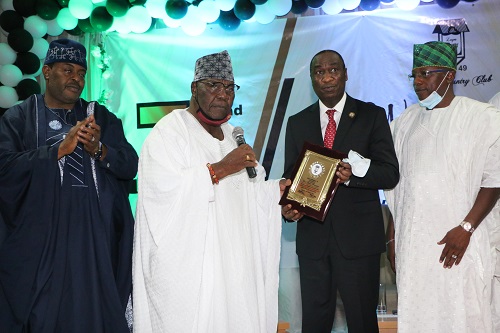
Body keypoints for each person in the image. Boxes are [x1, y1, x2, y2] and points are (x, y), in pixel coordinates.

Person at [132, 50, 290, 332]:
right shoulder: (170, 130)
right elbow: (161, 194)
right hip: (193, 273)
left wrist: (275, 192)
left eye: (229, 87)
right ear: (194, 88)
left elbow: (246, 196)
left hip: (233, 267)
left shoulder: (232, 135)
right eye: (213, 85)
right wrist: (219, 169)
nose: (223, 94)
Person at [0, 39, 138, 333]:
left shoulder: (100, 116)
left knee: (96, 317)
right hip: (40, 242)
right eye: (67, 70)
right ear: (47, 72)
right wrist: (56, 151)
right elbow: (4, 168)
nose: (76, 78)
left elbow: (129, 164)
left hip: (96, 240)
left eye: (81, 72)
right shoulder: (19, 118)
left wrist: (99, 149)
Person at [385, 41, 500, 332]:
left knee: (464, 311)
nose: (419, 82)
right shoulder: (404, 123)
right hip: (414, 245)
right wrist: (392, 237)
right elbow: (398, 188)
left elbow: (494, 179)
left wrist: (467, 228)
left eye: (426, 73)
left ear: (449, 75)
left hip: (462, 240)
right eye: (415, 75)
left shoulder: (482, 117)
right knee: (421, 316)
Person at [282, 49, 399, 333]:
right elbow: (290, 176)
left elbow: (389, 173)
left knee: (362, 323)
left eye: (333, 70)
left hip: (358, 242)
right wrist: (290, 208)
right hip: (313, 243)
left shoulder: (371, 115)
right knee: (314, 324)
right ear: (312, 79)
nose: (327, 77)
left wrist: (353, 175)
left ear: (346, 74)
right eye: (319, 72)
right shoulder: (297, 122)